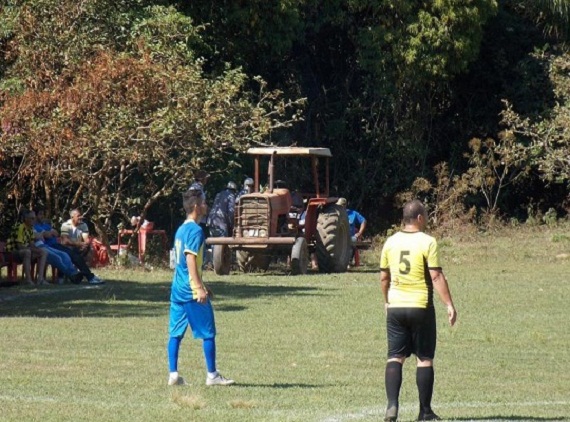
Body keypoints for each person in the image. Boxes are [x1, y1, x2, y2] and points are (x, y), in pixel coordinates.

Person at [379, 199, 457, 422]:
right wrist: (449, 304)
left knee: (395, 356)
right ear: (420, 218)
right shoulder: (428, 242)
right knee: (424, 358)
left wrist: (387, 300)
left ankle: (392, 406)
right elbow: (435, 276)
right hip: (420, 306)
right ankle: (425, 412)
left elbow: (384, 277)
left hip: (395, 306)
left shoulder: (390, 242)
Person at [166, 187, 235, 387]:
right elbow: (190, 259)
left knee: (175, 333)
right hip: (189, 290)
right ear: (196, 206)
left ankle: (173, 375)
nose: (206, 205)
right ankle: (212, 375)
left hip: (177, 288)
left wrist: (203, 284)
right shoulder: (196, 230)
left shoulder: (181, 229)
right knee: (208, 332)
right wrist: (198, 288)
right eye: (204, 202)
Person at [40, 208, 104, 285]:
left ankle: (76, 276)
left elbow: (56, 234)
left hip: (75, 246)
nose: (81, 217)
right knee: (71, 254)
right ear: (72, 217)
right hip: (65, 247)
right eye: (78, 216)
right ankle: (87, 277)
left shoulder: (83, 225)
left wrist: (84, 245)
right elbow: (65, 241)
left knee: (88, 249)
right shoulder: (65, 225)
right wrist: (79, 244)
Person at [33, 209, 83, 284]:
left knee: (65, 255)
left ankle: (74, 273)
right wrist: (46, 233)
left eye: (43, 214)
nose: (42, 216)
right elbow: (43, 236)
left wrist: (45, 233)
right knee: (58, 258)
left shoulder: (45, 225)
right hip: (41, 247)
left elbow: (56, 233)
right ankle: (72, 275)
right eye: (40, 214)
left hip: (46, 245)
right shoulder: (34, 226)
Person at [6, 209, 48, 285]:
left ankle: (40, 279)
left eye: (34, 218)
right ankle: (28, 280)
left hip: (24, 252)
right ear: (26, 219)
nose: (34, 220)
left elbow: (31, 244)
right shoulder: (20, 227)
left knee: (43, 251)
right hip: (13, 253)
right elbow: (19, 246)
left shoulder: (31, 228)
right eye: (32, 218)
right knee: (27, 252)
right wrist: (32, 249)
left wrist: (38, 250)